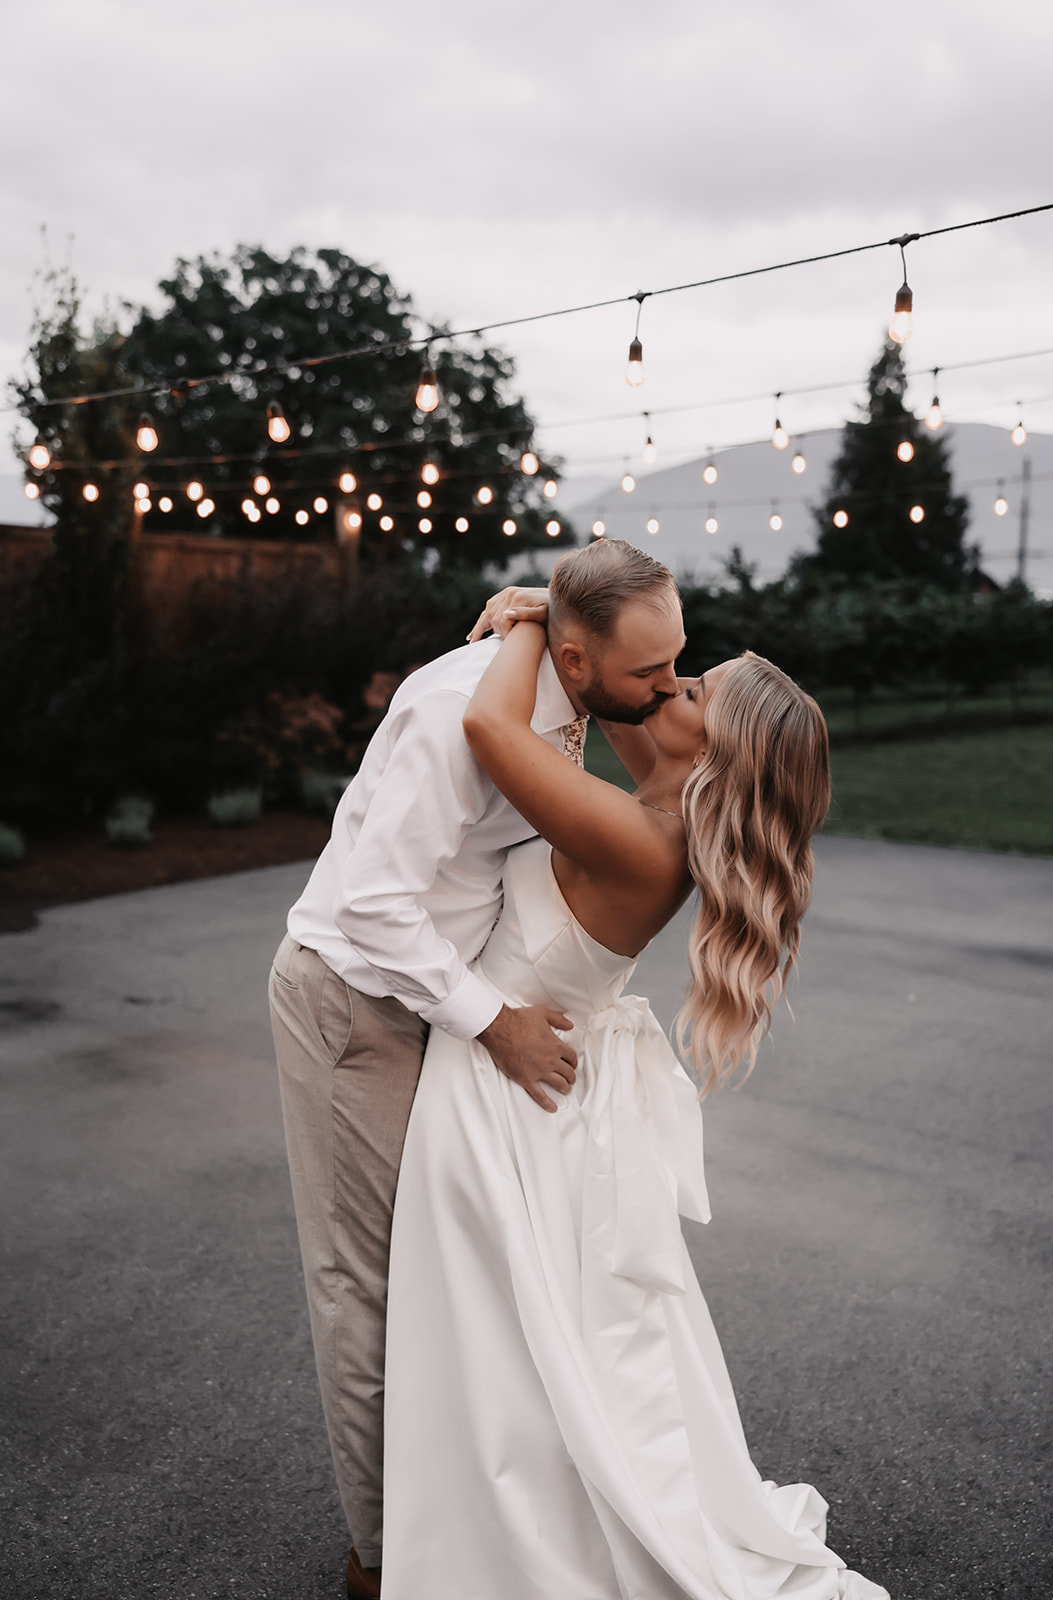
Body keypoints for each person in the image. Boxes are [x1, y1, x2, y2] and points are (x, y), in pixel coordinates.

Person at [378, 590, 890, 1597]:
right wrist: (579, 633)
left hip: (504, 1093)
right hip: (541, 1085)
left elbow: (487, 724)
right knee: (546, 1344)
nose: (667, 683)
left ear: (713, 744)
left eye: (691, 685)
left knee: (506, 1345)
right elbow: (617, 717)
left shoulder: (639, 837)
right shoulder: (657, 809)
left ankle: (505, 1545)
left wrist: (529, 624)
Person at [268, 540, 687, 1599]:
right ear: (580, 662)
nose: (671, 683)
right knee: (365, 1290)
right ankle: (380, 1557)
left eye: (675, 660)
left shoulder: (570, 683)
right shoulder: (456, 707)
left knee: (442, 1281)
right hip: (355, 1002)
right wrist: (491, 1018)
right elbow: (370, 903)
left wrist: (537, 615)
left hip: (438, 1011)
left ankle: (453, 1513)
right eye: (651, 672)